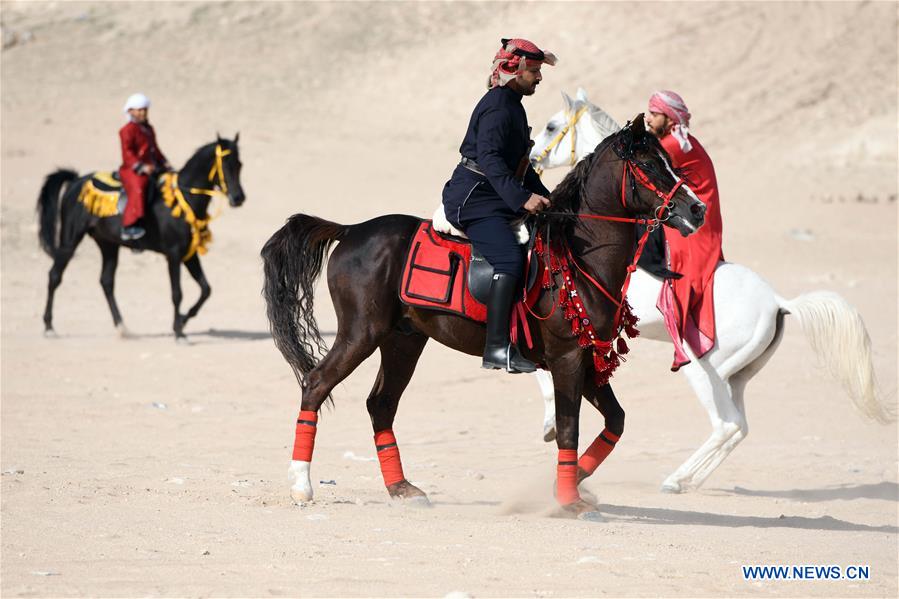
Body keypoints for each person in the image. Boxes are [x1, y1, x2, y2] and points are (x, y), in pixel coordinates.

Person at [441, 38, 557, 373]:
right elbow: (491, 160)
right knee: (509, 259)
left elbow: (519, 165)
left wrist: (548, 197)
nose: (539, 78)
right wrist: (522, 198)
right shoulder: (498, 107)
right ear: (515, 71)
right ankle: (496, 348)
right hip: (474, 200)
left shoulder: (512, 104)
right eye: (534, 71)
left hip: (495, 195)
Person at [645, 90, 724, 370]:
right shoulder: (679, 140)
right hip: (696, 215)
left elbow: (641, 171)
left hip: (694, 223)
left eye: (654, 114)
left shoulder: (672, 145)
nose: (648, 118)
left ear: (669, 119)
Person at [118, 93, 171, 240]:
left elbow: (155, 149)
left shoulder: (148, 129)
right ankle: (129, 225)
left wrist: (164, 162)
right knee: (139, 186)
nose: (143, 113)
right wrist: (141, 167)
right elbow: (127, 153)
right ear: (130, 111)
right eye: (139, 110)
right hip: (132, 170)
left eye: (145, 110)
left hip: (151, 167)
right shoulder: (127, 130)